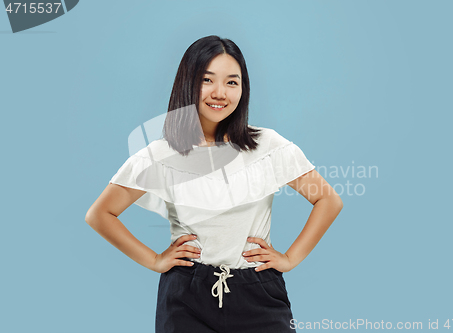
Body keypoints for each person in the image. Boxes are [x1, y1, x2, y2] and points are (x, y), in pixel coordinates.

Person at [85, 35, 343, 333]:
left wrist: (290, 258)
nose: (220, 93)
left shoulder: (268, 146)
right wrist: (155, 260)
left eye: (232, 82)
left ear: (243, 89)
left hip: (259, 292)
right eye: (207, 80)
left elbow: (328, 200)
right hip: (186, 296)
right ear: (188, 82)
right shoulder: (160, 154)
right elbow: (100, 214)